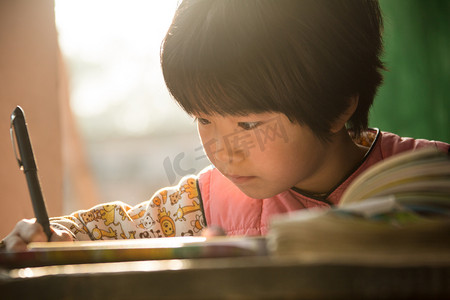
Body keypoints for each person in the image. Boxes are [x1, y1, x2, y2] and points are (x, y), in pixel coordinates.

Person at [2, 0, 449, 251]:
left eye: (249, 123)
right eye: (203, 118)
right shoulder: (205, 202)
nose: (222, 150)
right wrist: (52, 235)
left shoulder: (432, 176)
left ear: (338, 107)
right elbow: (111, 229)